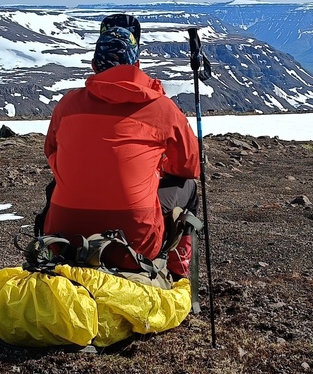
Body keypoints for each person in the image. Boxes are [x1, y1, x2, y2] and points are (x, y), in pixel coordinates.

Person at [42, 20, 200, 279]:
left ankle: (50, 257)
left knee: (56, 187)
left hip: (64, 240)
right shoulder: (162, 108)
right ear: (136, 65)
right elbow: (189, 166)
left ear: (95, 65)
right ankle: (177, 273)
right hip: (135, 244)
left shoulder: (67, 104)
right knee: (189, 188)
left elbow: (52, 152)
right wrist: (154, 169)